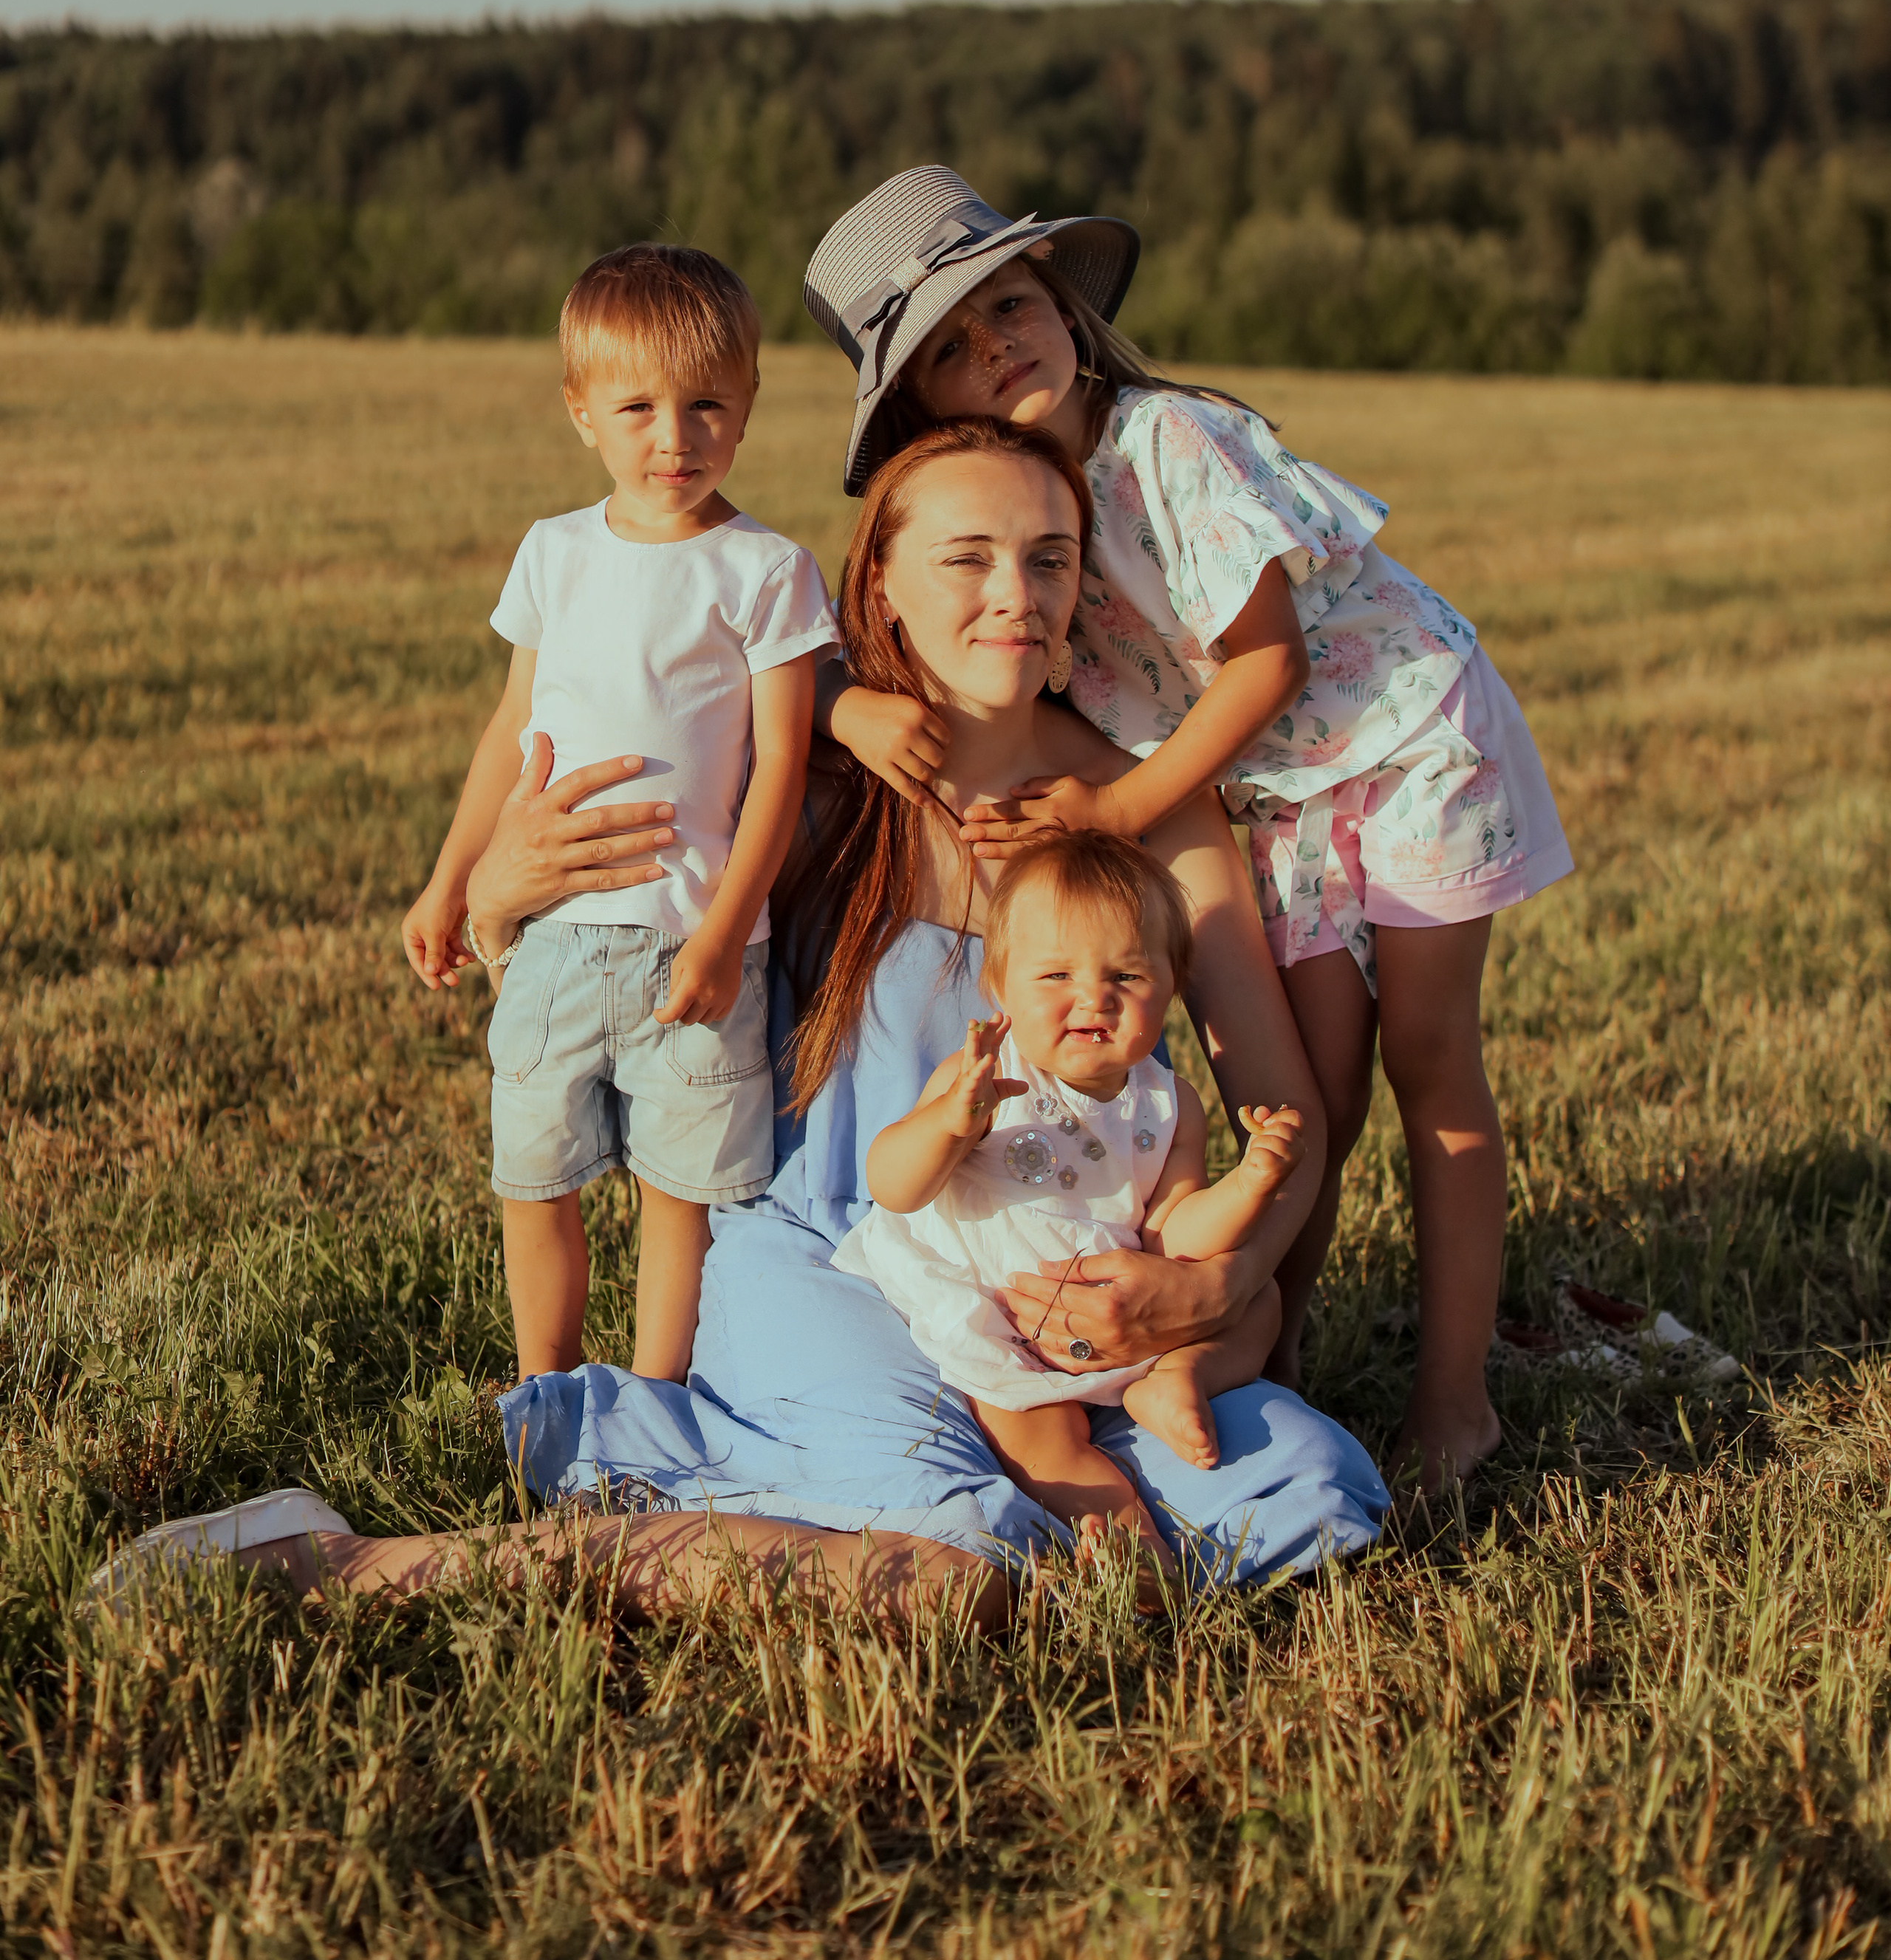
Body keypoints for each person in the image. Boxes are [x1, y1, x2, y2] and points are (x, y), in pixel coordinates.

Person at [96, 424, 1383, 1619]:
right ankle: (356, 1567)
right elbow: (567, 958)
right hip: (826, 1262)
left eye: (1050, 559)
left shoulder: (1142, 805)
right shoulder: (791, 782)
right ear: (878, 582)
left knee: (1312, 1483)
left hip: (1062, 1297)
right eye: (968, 557)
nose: (1017, 594)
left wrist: (1202, 1282)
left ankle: (1005, 1511)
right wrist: (494, 893)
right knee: (957, 1573)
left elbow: (1284, 1113)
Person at [802, 167, 1575, 1487]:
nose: (996, 347)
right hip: (1274, 795)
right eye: (950, 347)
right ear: (925, 407)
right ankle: (1272, 1353)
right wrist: (845, 711)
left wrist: (1113, 809)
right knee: (1310, 1097)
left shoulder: (1166, 445)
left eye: (1011, 304)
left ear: (1065, 306)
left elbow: (1265, 666)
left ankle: (1456, 1398)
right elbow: (779, 646)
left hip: (1399, 744)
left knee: (1430, 1062)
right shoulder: (1031, 521)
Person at [399, 242, 839, 1381]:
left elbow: (782, 766)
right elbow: (511, 729)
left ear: (746, 408)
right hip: (551, 940)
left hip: (692, 943)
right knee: (533, 1176)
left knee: (676, 1194)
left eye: (707, 405)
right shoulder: (554, 553)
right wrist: (451, 880)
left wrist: (727, 935)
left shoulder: (766, 570)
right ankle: (544, 1392)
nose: (674, 437)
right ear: (580, 411)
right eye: (638, 406)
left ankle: (657, 1401)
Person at [835, 831, 1309, 1566]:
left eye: (1126, 974)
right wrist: (951, 1123)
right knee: (1041, 1435)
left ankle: (1178, 1381)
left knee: (1262, 1303)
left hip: (1121, 1307)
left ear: (1171, 985)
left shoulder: (1167, 1102)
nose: (1093, 996)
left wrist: (1249, 1184)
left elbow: (1175, 1234)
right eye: (1055, 975)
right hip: (1004, 1310)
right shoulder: (982, 1079)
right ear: (1001, 986)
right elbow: (892, 1186)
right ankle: (1121, 1534)